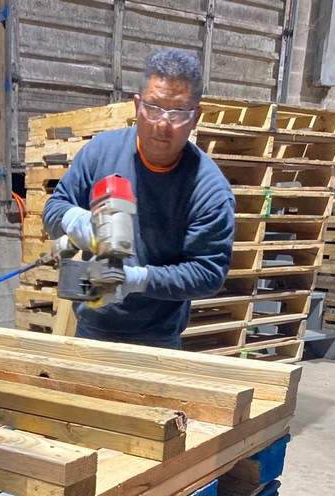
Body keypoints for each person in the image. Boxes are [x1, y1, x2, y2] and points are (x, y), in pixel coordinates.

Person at [43, 49, 235, 348]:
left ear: (196, 117)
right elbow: (54, 209)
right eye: (154, 108)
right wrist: (77, 221)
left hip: (158, 340)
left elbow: (208, 273)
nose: (163, 124)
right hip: (91, 330)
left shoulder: (208, 189)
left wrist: (137, 279)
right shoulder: (101, 153)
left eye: (178, 112)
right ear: (137, 105)